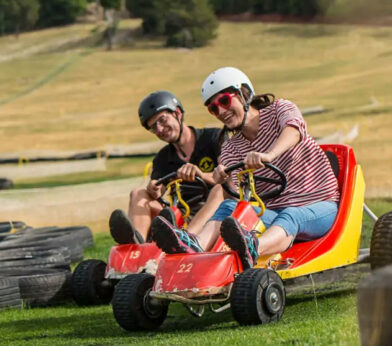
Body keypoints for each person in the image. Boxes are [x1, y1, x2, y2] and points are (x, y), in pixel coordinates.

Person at [151, 67, 340, 269]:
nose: (221, 112)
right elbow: (234, 194)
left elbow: (293, 132)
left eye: (224, 101)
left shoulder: (280, 110)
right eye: (213, 109)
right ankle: (193, 246)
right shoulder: (231, 146)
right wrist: (223, 180)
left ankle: (253, 247)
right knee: (228, 207)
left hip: (319, 206)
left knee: (292, 215)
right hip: (275, 213)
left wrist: (269, 155)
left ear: (245, 93)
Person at [109, 90, 223, 244]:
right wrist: (154, 190)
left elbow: (231, 177)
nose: (160, 129)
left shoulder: (213, 138)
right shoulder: (162, 158)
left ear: (177, 113)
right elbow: (158, 192)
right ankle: (137, 246)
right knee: (138, 193)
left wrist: (202, 174)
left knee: (220, 189)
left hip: (218, 209)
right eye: (153, 127)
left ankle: (185, 239)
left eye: (162, 120)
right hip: (184, 214)